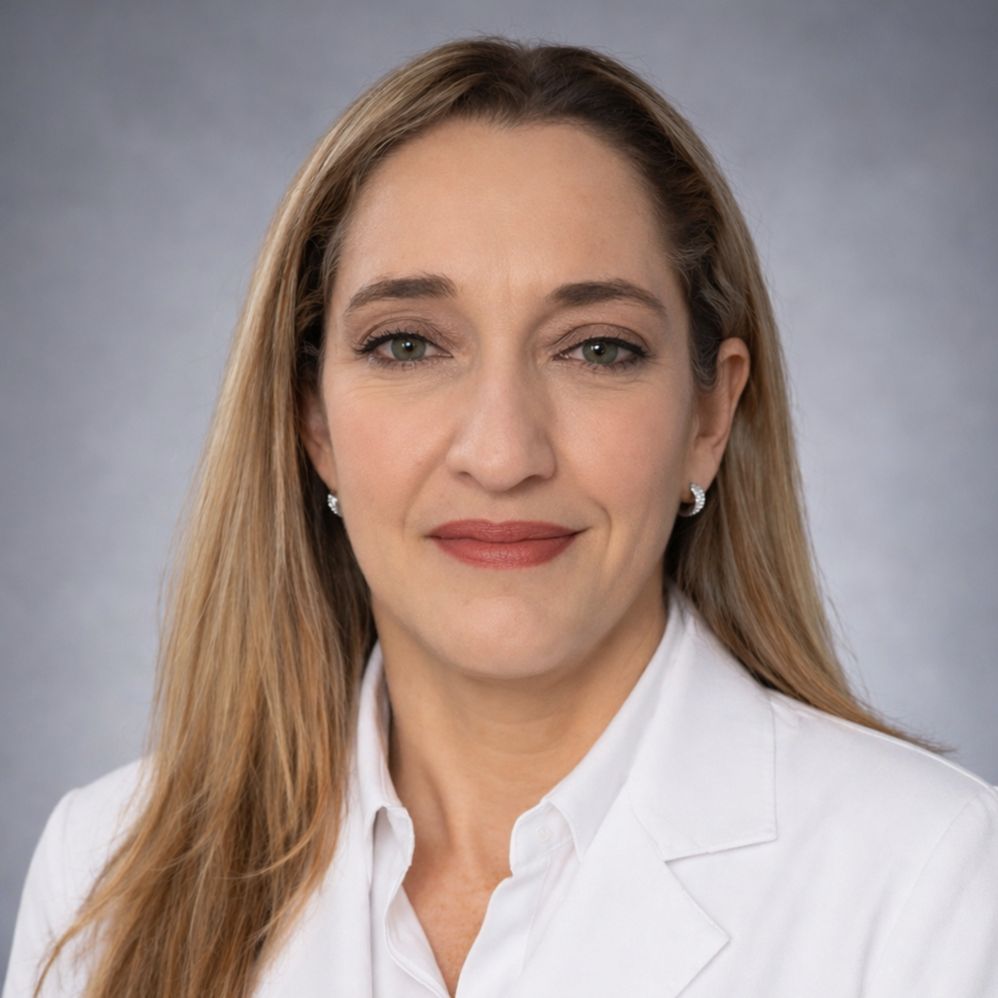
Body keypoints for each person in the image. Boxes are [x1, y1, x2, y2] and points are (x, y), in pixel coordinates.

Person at [4, 35, 997, 998]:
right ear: (312, 421)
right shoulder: (103, 874)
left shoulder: (939, 882)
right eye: (407, 344)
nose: (503, 453)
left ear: (709, 416)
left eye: (596, 348)